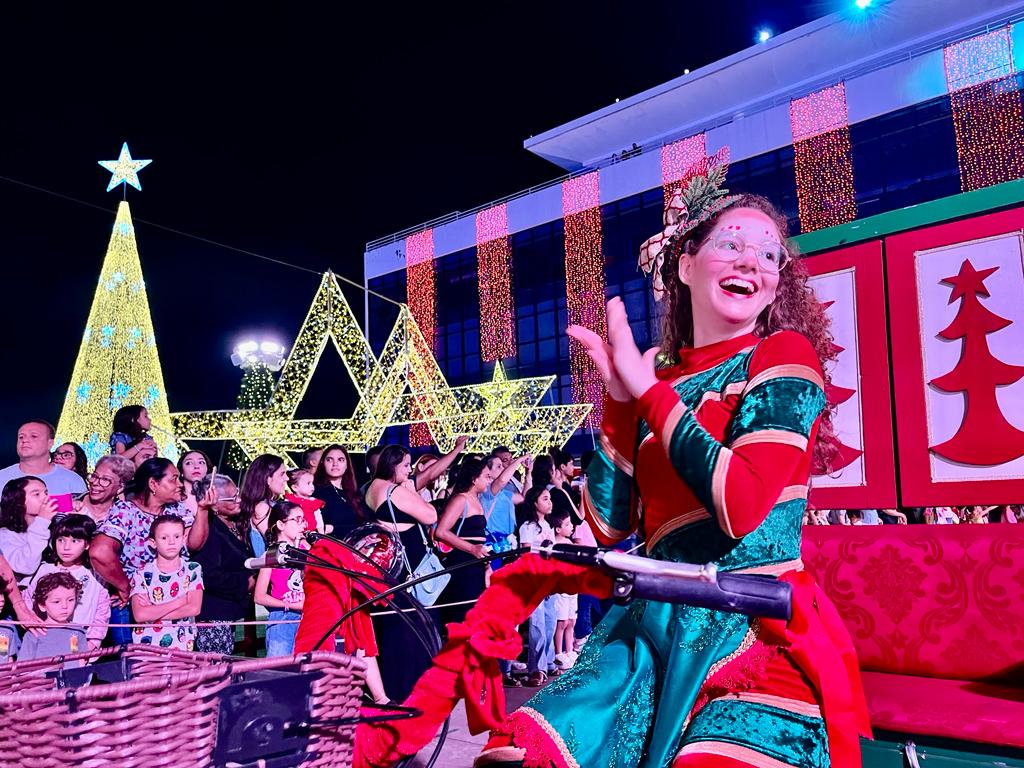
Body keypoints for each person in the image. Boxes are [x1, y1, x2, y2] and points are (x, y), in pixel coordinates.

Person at [480, 183, 869, 767]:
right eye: (731, 244)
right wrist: (617, 400)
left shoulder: (782, 356)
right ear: (686, 265)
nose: (751, 262)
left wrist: (647, 394)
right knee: (521, 754)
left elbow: (742, 505)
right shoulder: (655, 376)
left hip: (754, 626)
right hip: (648, 630)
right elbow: (609, 526)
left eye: (769, 255)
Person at [90, 458, 203, 645]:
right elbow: (100, 552)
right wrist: (124, 586)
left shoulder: (177, 510)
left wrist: (203, 510)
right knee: (136, 665)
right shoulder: (125, 511)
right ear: (153, 484)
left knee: (175, 664)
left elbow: (194, 544)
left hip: (177, 598)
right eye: (173, 479)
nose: (180, 484)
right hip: (137, 602)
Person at [366, 445, 440, 699]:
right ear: (394, 465)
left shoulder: (370, 488)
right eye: (406, 465)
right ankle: (411, 690)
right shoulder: (394, 490)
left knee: (391, 627)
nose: (409, 471)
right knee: (411, 628)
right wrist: (411, 492)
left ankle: (391, 688)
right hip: (408, 568)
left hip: (387, 567)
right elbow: (430, 515)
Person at [188, 473, 252, 654]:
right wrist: (245, 583)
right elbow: (208, 575)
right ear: (214, 503)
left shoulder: (234, 523)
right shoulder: (209, 529)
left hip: (228, 612)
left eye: (237, 493)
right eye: (232, 498)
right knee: (215, 672)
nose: (239, 500)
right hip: (213, 615)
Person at [25, 514, 110, 650]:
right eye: (61, 540)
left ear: (87, 544)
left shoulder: (95, 575)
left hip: (82, 645)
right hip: (46, 643)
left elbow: (102, 612)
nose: (66, 547)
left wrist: (92, 643)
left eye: (75, 541)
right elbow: (28, 601)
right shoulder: (44, 569)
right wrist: (35, 627)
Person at [130, 515, 203, 651]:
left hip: (182, 645)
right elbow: (140, 615)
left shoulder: (192, 569)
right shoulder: (141, 573)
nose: (171, 542)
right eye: (164, 538)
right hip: (148, 646)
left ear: (183, 539)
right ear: (153, 542)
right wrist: (180, 602)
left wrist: (153, 610)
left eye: (176, 536)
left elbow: (194, 608)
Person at [434, 457, 492, 626]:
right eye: (486, 476)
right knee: (464, 612)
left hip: (476, 562)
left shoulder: (477, 500)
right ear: (474, 479)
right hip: (462, 560)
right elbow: (441, 531)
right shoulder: (461, 499)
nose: (489, 480)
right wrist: (472, 548)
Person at [254, 500, 308, 656]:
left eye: (303, 519)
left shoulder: (307, 550)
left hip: (308, 616)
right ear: (281, 524)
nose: (303, 524)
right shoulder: (272, 554)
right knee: (281, 668)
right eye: (297, 519)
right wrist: (289, 605)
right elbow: (259, 596)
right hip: (282, 619)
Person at [517, 487, 556, 687]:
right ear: (535, 503)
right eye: (545, 499)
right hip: (534, 579)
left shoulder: (548, 525)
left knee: (550, 623)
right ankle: (536, 668)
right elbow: (526, 555)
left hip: (550, 579)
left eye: (550, 498)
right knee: (537, 626)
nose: (549, 502)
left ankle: (548, 661)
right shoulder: (527, 527)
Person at [0, 420, 86, 497]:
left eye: (33, 436)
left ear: (50, 443)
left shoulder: (73, 480)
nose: (24, 440)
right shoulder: (2, 477)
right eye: (21, 437)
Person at [17, 571, 87, 660]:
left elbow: (82, 663)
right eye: (57, 601)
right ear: (42, 605)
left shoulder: (78, 631)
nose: (65, 606)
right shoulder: (34, 633)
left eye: (70, 600)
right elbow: (23, 667)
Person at [0, 476, 59, 579]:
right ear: (18, 501)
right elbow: (25, 566)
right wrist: (42, 522)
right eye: (37, 494)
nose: (46, 498)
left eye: (46, 493)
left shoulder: (54, 525)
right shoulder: (5, 535)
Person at [239, 454, 289, 557]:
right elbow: (276, 541)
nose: (287, 478)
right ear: (268, 479)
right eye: (282, 474)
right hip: (271, 568)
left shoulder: (272, 504)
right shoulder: (262, 507)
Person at [311, 445, 362, 538]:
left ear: (347, 465)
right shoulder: (316, 491)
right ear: (322, 463)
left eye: (340, 460)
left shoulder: (354, 491)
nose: (335, 464)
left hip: (357, 546)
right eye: (329, 460)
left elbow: (366, 524)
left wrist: (333, 528)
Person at [549, 507, 577, 671]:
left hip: (573, 589)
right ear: (558, 529)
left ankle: (570, 650)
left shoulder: (570, 543)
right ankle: (558, 652)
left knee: (571, 621)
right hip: (561, 590)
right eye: (567, 524)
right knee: (562, 622)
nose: (571, 526)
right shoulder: (555, 545)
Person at [75, 455, 134, 524]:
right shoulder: (67, 500)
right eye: (94, 476)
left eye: (105, 479)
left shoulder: (125, 514)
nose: (95, 482)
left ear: (120, 487)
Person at [286, 468, 329, 533]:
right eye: (308, 483)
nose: (312, 486)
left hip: (311, 533)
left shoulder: (313, 502)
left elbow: (319, 519)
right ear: (295, 487)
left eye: (312, 483)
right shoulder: (289, 501)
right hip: (294, 533)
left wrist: (321, 533)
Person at [177, 450, 211, 518]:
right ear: (181, 470)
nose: (196, 466)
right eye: (189, 463)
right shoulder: (173, 498)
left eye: (201, 462)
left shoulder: (213, 498)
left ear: (207, 468)